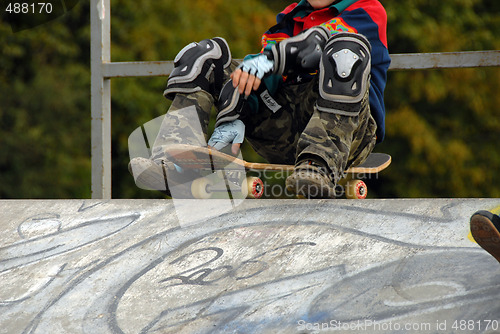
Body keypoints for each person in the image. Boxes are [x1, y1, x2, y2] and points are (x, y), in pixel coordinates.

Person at [129, 0, 391, 198]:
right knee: (202, 57)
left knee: (344, 49)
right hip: (283, 132)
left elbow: (315, 43)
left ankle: (318, 162)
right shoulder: (289, 20)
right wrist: (231, 116)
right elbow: (257, 79)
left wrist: (270, 59)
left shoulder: (367, 11)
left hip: (347, 137)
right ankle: (177, 160)